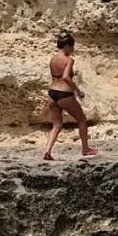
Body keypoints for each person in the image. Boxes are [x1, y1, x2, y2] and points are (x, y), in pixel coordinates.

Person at [43, 30, 99, 161]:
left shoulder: (53, 59)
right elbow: (66, 77)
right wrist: (78, 91)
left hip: (52, 93)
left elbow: (55, 75)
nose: (73, 50)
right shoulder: (69, 60)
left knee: (56, 125)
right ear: (67, 46)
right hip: (64, 93)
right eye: (72, 47)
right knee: (81, 119)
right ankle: (85, 149)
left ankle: (47, 151)